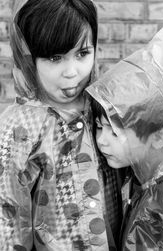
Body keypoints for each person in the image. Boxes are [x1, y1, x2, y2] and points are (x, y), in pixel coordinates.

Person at [0, 0, 122, 250]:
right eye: (55, 57)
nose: (72, 72)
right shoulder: (19, 127)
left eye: (82, 54)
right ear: (28, 57)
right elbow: (8, 220)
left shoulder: (103, 105)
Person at [86, 20, 163, 250]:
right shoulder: (149, 175)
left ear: (159, 136)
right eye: (99, 127)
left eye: (116, 133)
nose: (101, 140)